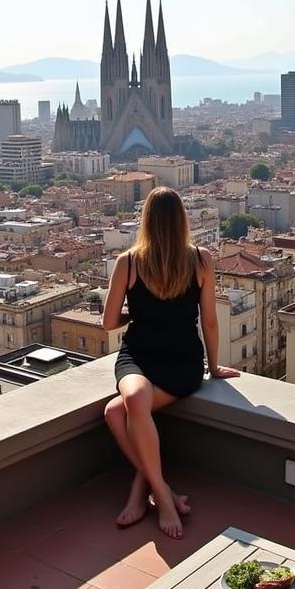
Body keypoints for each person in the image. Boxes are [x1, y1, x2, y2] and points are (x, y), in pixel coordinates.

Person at [101, 187, 240, 539]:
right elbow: (208, 320)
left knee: (122, 411)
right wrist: (212, 362)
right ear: (182, 221)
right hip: (139, 357)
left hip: (181, 362)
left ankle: (142, 489)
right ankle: (163, 492)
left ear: (145, 221)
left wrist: (213, 368)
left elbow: (110, 320)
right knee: (124, 405)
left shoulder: (194, 260)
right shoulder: (131, 262)